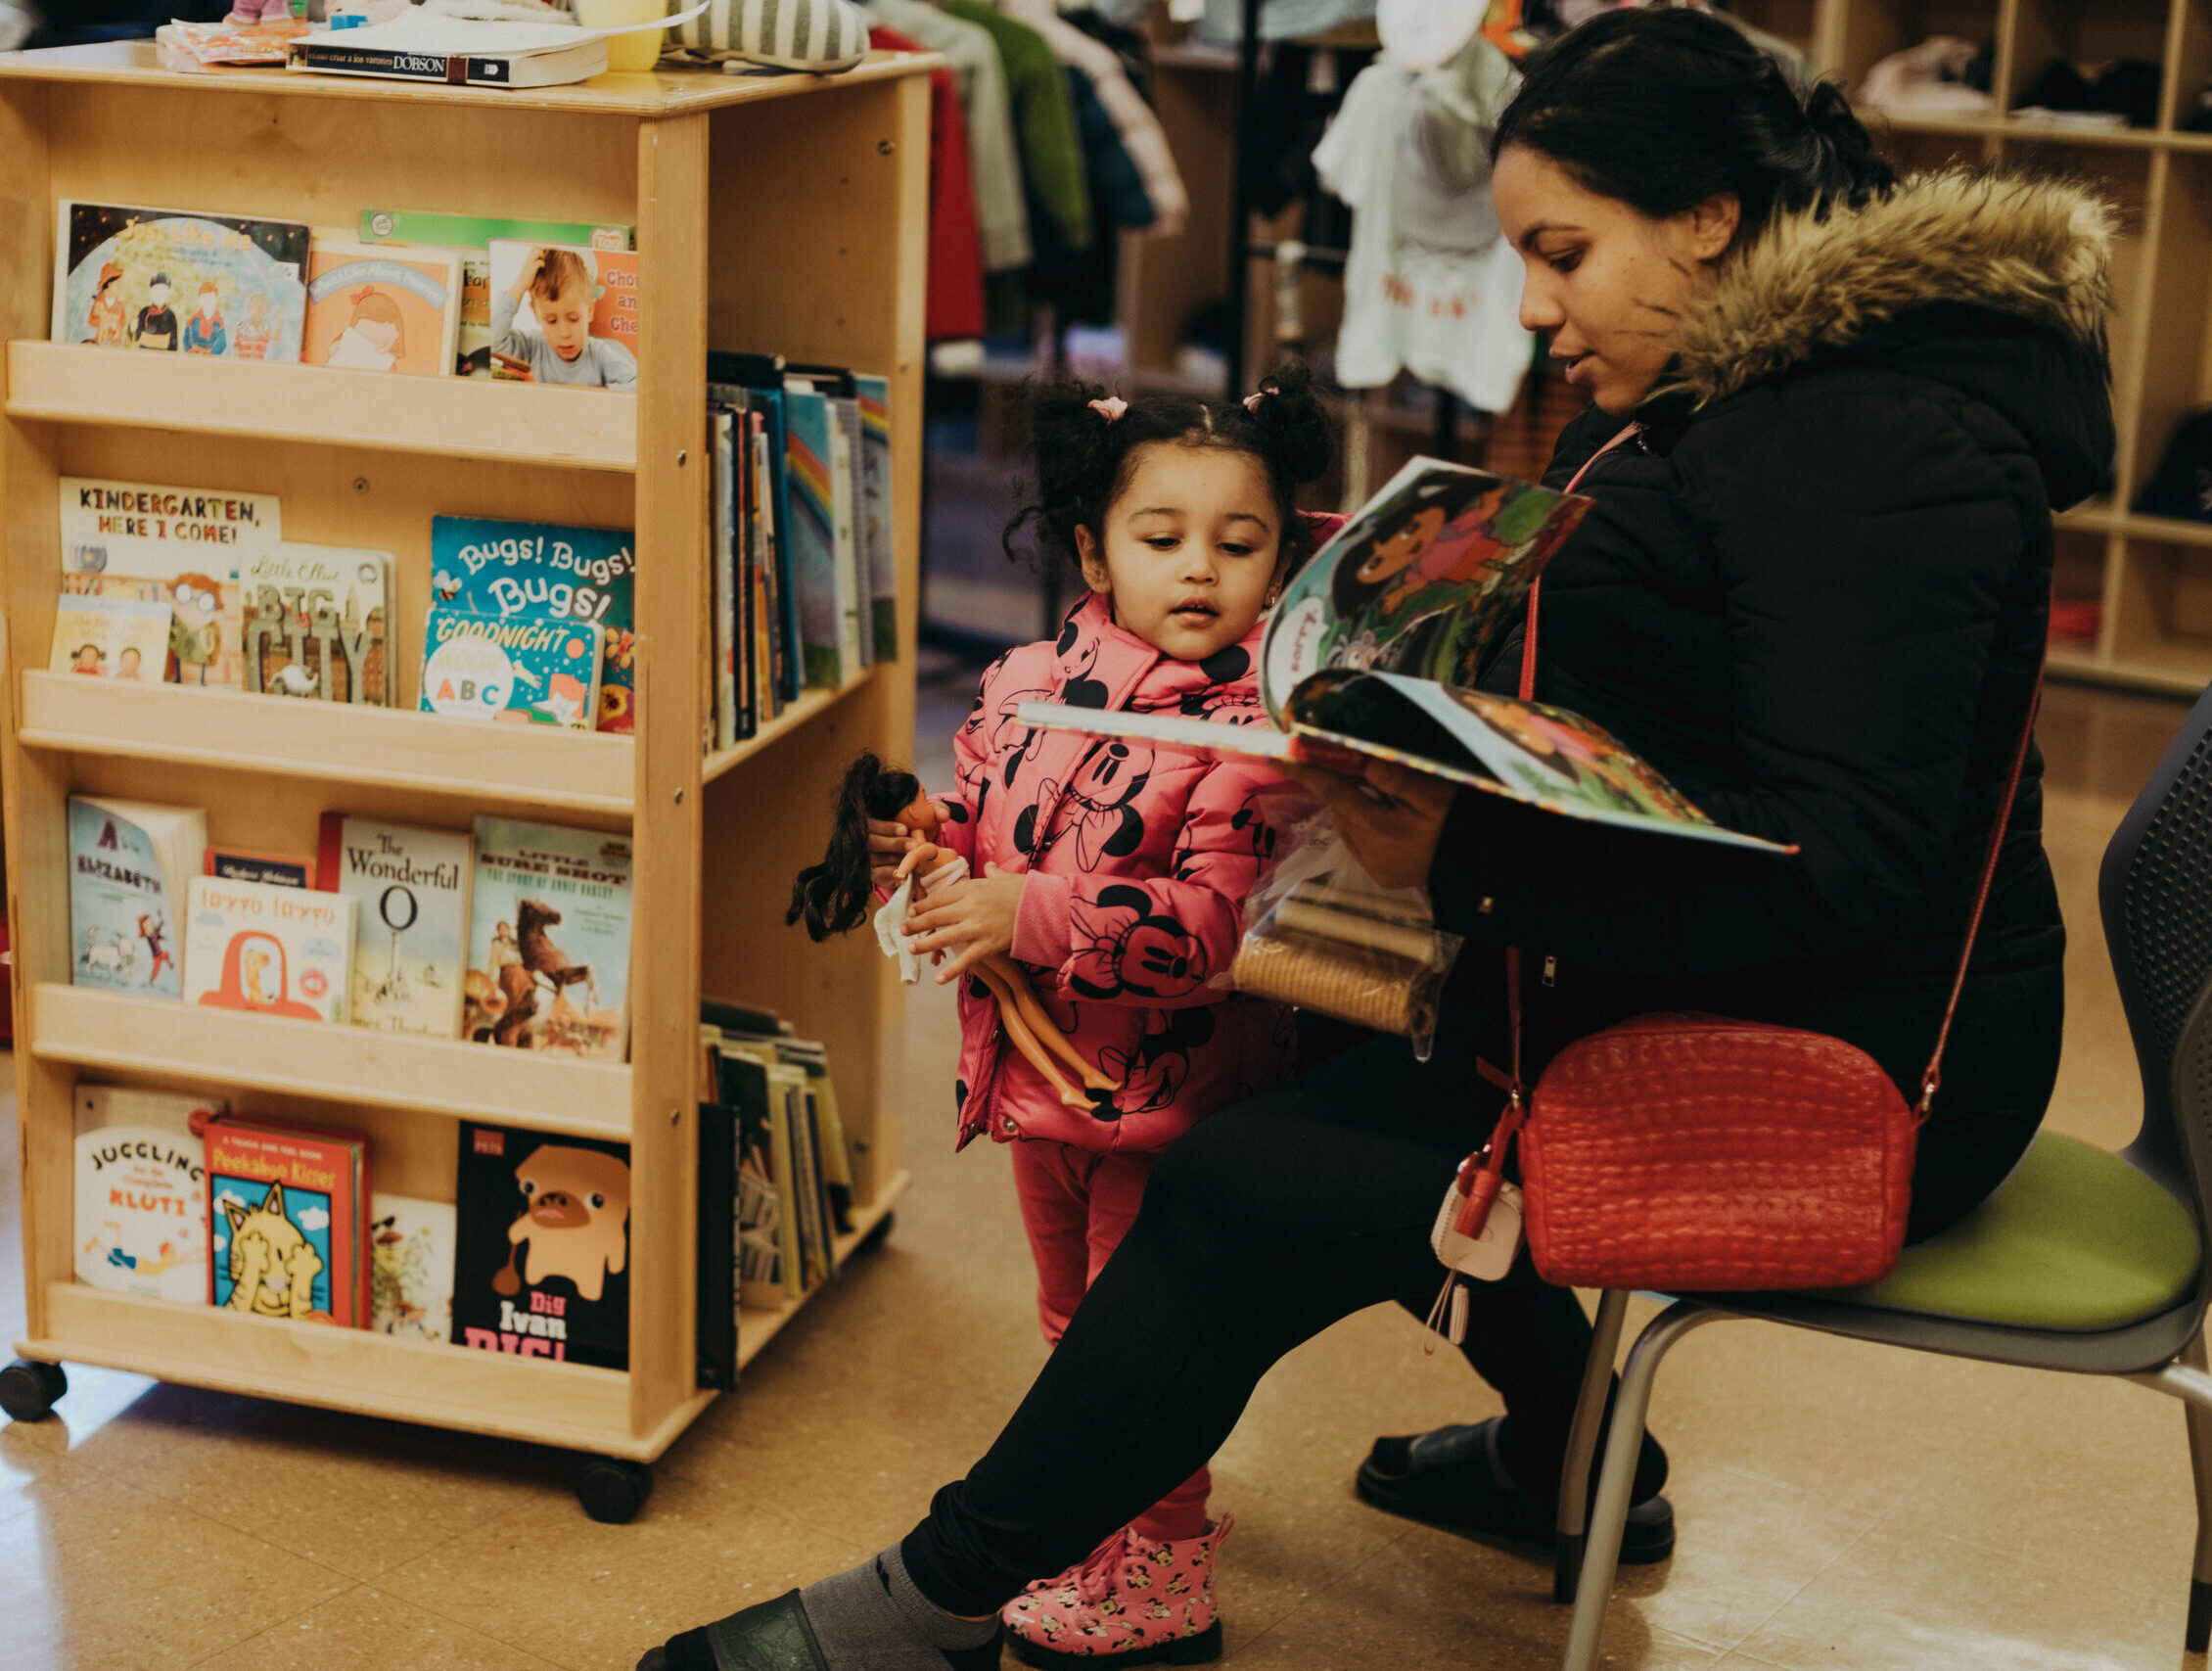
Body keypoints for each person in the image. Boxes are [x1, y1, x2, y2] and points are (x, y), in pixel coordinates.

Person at [638, 10, 2112, 1668]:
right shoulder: (1758, 392)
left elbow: (1846, 862)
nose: (1534, 302)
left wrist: (1457, 856)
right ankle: (1571, 1463)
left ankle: (936, 1597)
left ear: (1706, 216)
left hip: (1856, 1077)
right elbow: (1705, 710)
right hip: (1692, 982)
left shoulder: (1872, 443)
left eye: (1564, 251)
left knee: (1249, 1185)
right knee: (1342, 1105)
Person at [786, 370, 1335, 1667]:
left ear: (1286, 554)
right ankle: (1098, 1519)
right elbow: (985, 832)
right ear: (1093, 545)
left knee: (1143, 1336)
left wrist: (1023, 911)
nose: (1199, 569)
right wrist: (928, 841)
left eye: (1239, 541)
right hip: (1039, 1081)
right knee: (1070, 1322)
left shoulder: (1258, 729)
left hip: (1177, 1093)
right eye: (1161, 537)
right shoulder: (1027, 682)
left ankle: (1166, 1572)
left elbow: (1215, 934)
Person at [492, 246, 636, 390]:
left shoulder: (598, 353)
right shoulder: (532, 347)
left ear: (590, 311)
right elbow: (493, 341)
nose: (564, 333)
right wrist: (520, 284)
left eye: (573, 319)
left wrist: (596, 393)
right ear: (536, 314)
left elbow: (637, 383)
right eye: (552, 321)